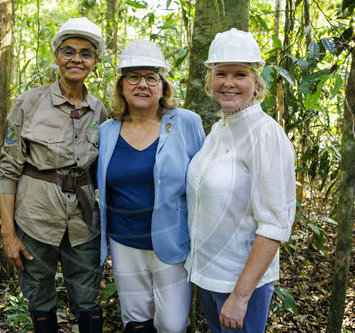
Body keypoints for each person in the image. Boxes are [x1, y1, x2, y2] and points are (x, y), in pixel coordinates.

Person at [0, 17, 106, 333]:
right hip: (35, 217)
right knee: (39, 293)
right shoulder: (28, 103)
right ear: (57, 55)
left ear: (95, 62)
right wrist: (8, 233)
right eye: (68, 51)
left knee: (87, 296)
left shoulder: (99, 110)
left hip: (83, 222)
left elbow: (104, 170)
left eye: (86, 53)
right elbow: (8, 169)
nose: (76, 59)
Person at [184, 28, 296, 332]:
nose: (229, 82)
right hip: (208, 276)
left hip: (241, 285)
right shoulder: (219, 128)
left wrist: (240, 296)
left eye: (240, 74)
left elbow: (275, 225)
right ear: (210, 80)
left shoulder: (265, 133)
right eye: (221, 73)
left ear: (256, 82)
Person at [97, 40, 206, 333]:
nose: (142, 85)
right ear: (121, 86)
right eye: (133, 77)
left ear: (163, 86)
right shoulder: (107, 131)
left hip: (172, 242)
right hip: (123, 242)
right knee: (135, 321)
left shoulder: (186, 123)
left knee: (172, 325)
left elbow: (203, 181)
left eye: (151, 77)